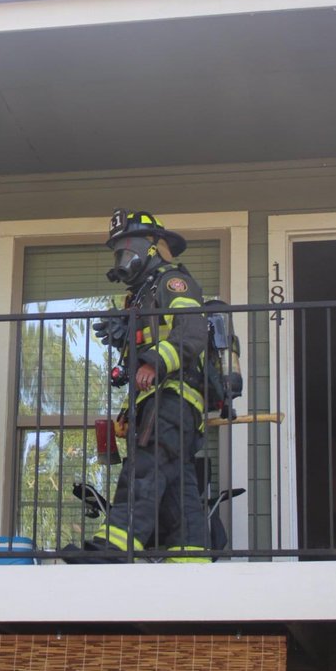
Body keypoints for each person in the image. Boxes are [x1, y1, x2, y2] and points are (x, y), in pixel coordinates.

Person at [76, 210, 211, 563]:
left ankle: (115, 546)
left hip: (174, 395)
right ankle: (191, 555)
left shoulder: (171, 282)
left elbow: (192, 332)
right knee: (179, 483)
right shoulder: (142, 295)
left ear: (152, 246)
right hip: (163, 401)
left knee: (145, 466)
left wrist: (155, 361)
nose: (123, 256)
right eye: (118, 250)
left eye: (128, 246)